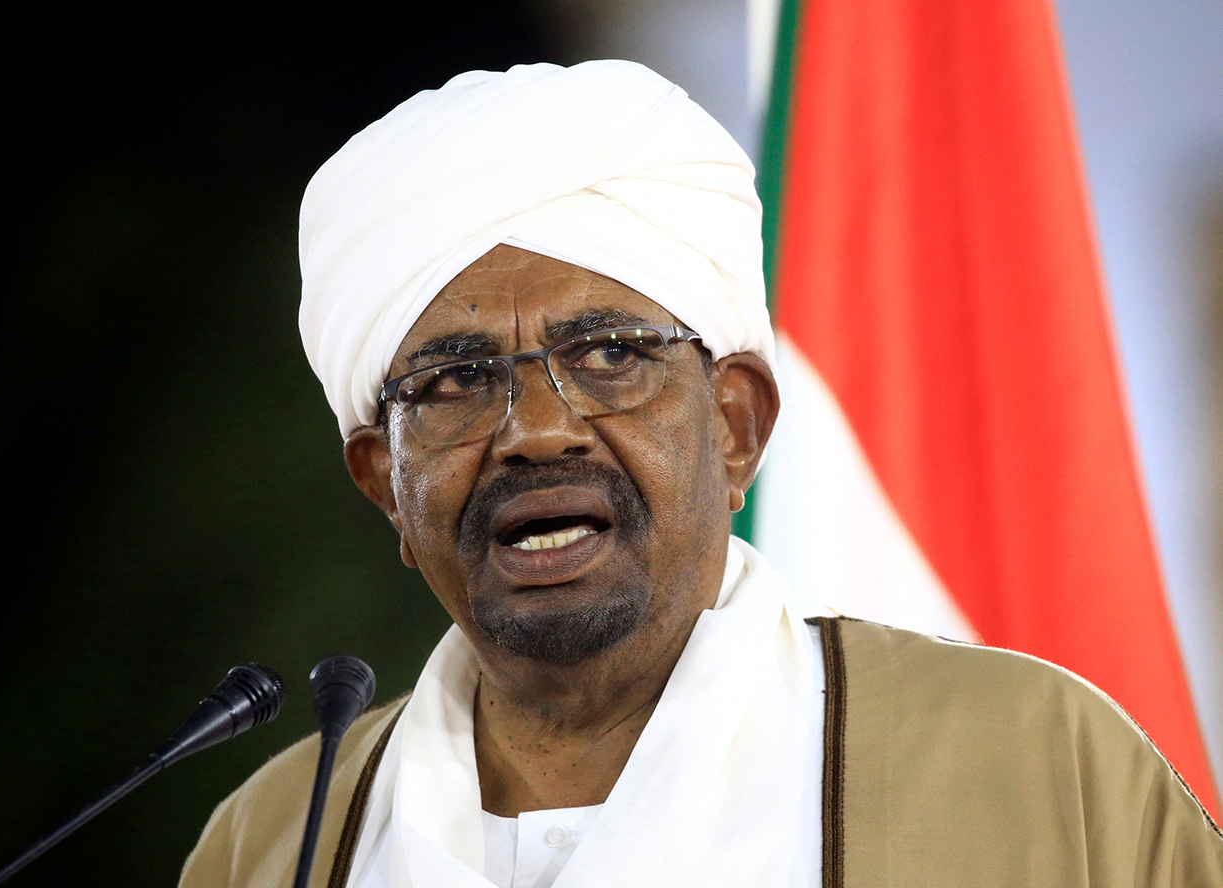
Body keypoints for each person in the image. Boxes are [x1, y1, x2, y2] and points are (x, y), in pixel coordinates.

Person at [179, 60, 1221, 888]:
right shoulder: (276, 842)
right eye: (454, 380)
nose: (536, 431)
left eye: (609, 354)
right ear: (385, 485)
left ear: (734, 426)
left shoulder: (1036, 764)